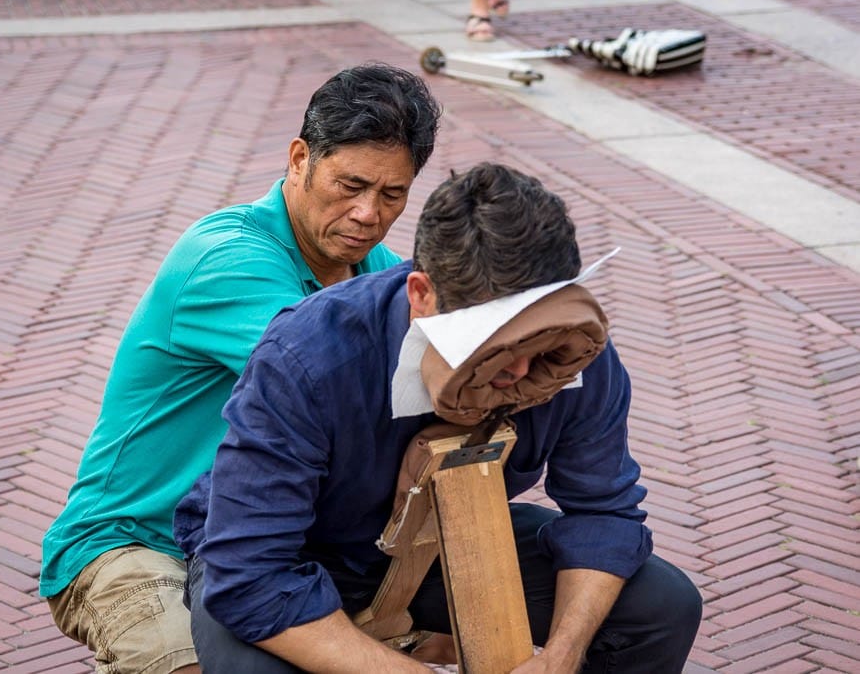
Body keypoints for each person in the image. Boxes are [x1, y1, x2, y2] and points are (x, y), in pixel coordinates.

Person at [174, 162, 703, 673]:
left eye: (534, 341)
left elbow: (603, 513)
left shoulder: (571, 354)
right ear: (422, 295)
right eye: (489, 345)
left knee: (662, 607)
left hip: (439, 539)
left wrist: (562, 654)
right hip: (295, 551)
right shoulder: (306, 356)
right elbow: (250, 575)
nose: (518, 368)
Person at [39, 62, 442, 673]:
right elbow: (333, 374)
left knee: (449, 629)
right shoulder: (228, 259)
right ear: (301, 157)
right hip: (135, 543)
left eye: (392, 194)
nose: (368, 213)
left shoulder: (379, 271)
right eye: (351, 185)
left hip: (267, 538)